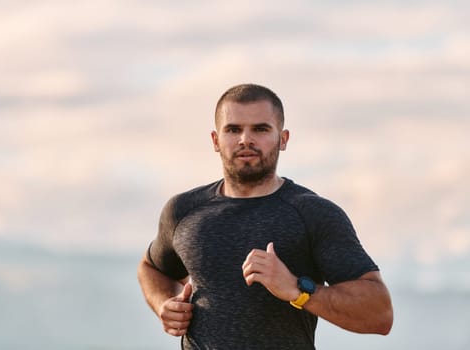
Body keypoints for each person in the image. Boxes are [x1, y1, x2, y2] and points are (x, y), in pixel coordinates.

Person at [137, 83, 393, 349]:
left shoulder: (312, 213)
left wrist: (297, 289)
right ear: (215, 140)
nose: (245, 139)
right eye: (233, 129)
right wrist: (164, 304)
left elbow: (379, 313)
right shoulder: (184, 211)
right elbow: (152, 268)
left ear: (283, 139)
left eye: (260, 129)